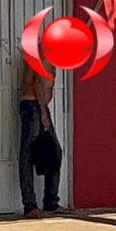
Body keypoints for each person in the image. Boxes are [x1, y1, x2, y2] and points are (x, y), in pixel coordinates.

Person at [17, 61, 67, 218]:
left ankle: (51, 201)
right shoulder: (43, 55)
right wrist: (43, 113)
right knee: (28, 154)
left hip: (38, 106)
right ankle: (30, 205)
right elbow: (37, 82)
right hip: (34, 106)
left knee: (54, 152)